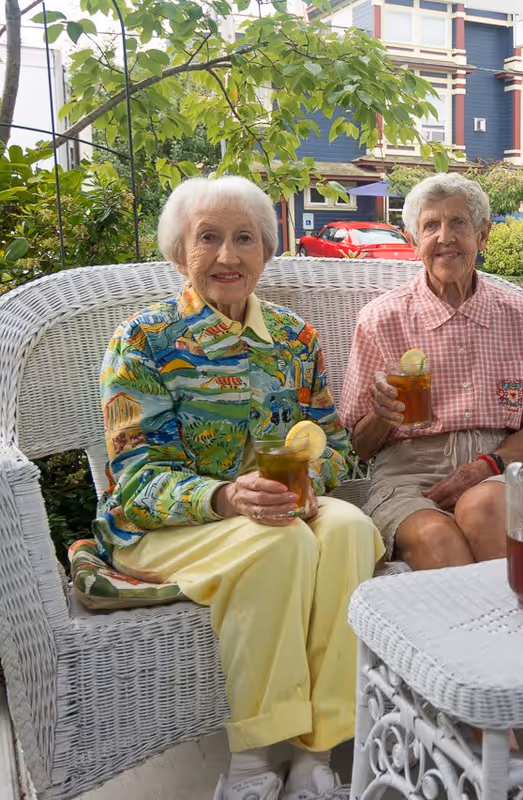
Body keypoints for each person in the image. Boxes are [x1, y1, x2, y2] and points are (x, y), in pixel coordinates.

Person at [94, 176, 384, 800]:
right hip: (164, 528)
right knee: (278, 545)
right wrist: (225, 497)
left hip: (274, 509)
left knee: (350, 527)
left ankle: (317, 757)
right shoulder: (145, 341)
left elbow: (333, 445)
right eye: (209, 239)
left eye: (244, 239)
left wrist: (310, 482)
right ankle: (252, 763)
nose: (227, 256)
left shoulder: (294, 339)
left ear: (266, 253)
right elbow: (134, 478)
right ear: (180, 254)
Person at [341, 173, 523, 569]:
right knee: (438, 540)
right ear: (413, 243)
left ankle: (516, 627)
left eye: (458, 223)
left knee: (484, 508)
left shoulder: (519, 316)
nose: (445, 237)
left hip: (494, 470)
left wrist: (486, 466)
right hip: (408, 479)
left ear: (483, 235)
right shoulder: (380, 320)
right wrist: (380, 413)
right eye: (430, 225)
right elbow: (360, 447)